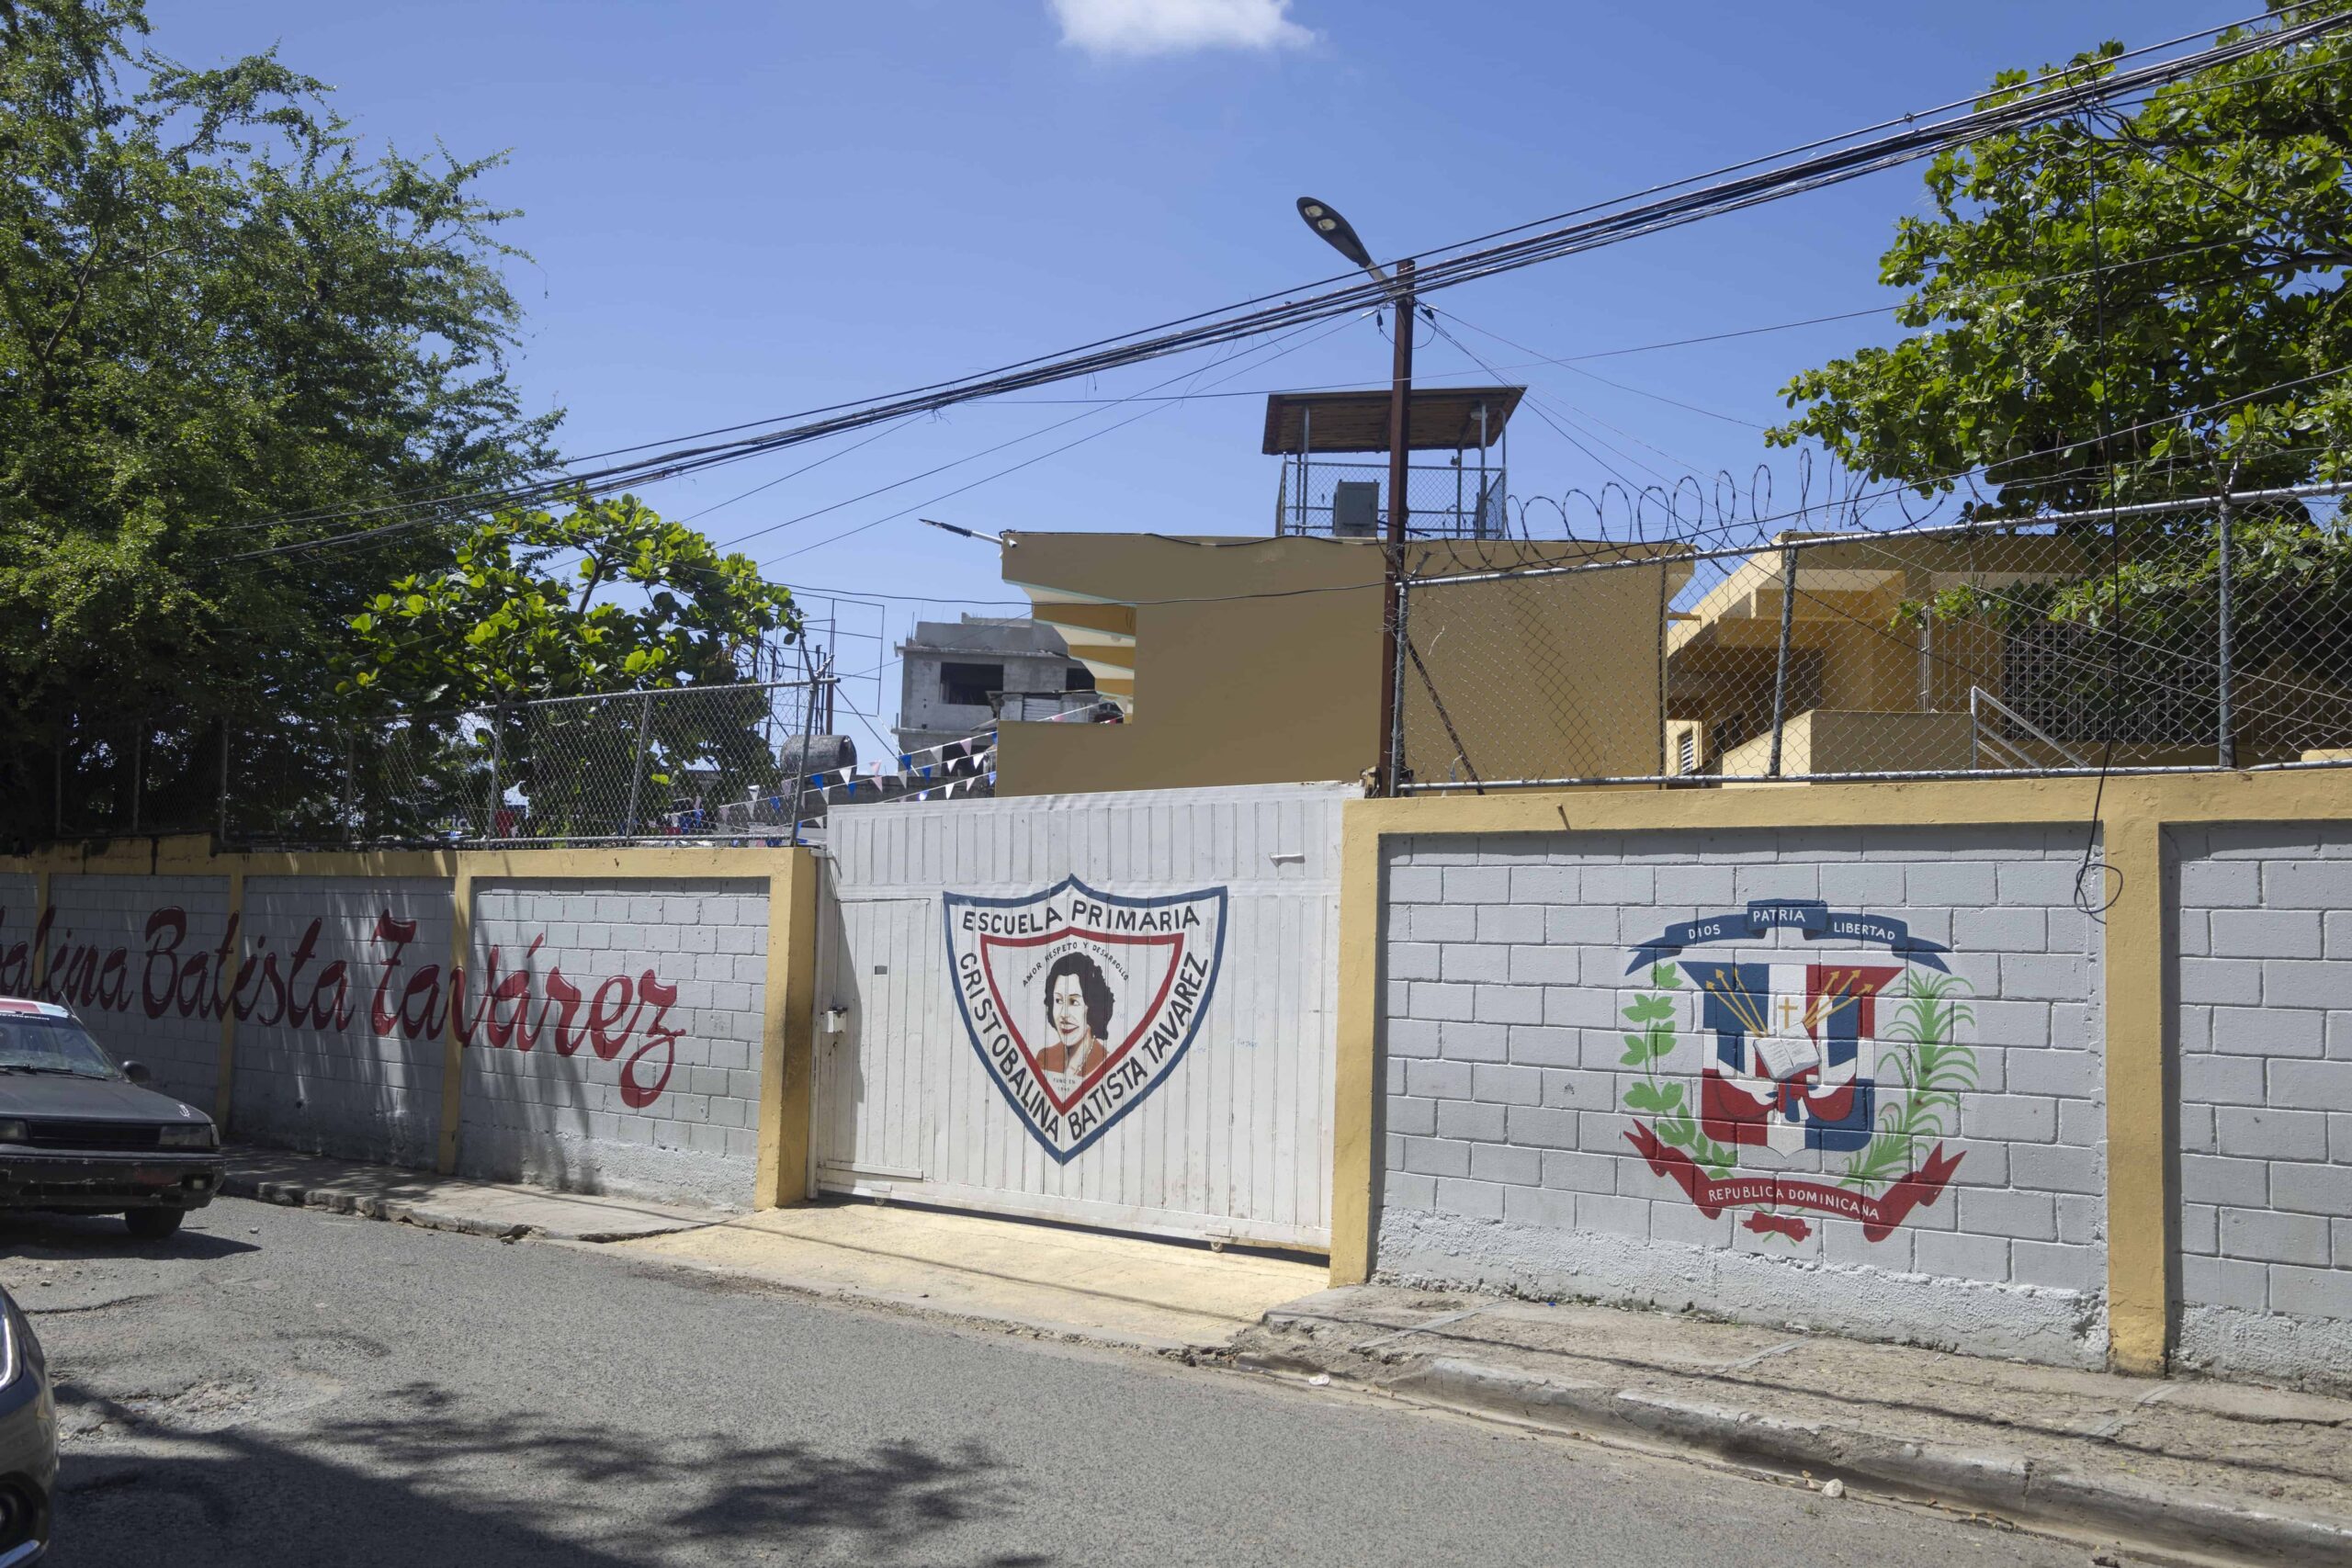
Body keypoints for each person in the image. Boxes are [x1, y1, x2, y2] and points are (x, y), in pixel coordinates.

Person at [1039, 951, 1114, 1090]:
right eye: (1058, 1000)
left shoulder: (1108, 1064)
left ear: (1092, 1006)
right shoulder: (1044, 1058)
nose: (1064, 1014)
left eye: (1073, 1002)